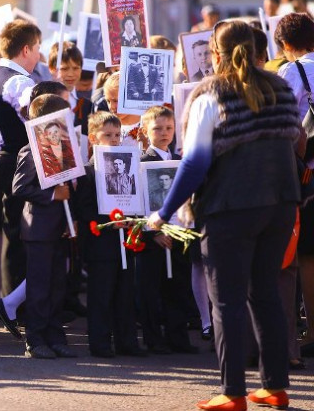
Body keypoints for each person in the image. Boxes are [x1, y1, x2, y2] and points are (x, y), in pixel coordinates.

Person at [147, 20, 301, 410]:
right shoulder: (280, 87)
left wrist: (163, 212)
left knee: (227, 302)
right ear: (254, 49)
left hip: (231, 208)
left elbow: (195, 163)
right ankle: (275, 386)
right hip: (281, 203)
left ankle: (232, 392)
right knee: (265, 293)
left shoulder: (211, 94)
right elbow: (296, 141)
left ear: (214, 55)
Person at [12, 94, 77, 359]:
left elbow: (70, 187)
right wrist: (52, 196)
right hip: (38, 230)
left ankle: (55, 335)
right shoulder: (31, 149)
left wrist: (69, 216)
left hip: (60, 227)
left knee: (57, 286)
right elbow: (19, 187)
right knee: (39, 288)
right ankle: (35, 339)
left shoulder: (65, 146)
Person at [76, 111, 145, 358]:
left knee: (125, 294)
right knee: (101, 295)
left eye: (117, 135)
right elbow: (84, 209)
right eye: (107, 135)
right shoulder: (88, 171)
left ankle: (127, 342)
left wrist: (131, 220)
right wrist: (107, 222)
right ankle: (100, 343)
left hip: (125, 242)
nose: (114, 139)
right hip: (101, 244)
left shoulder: (129, 168)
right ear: (94, 138)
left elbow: (135, 199)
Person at [0, 20, 40, 296]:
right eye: (38, 48)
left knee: (13, 231)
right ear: (26, 49)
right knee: (21, 234)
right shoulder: (18, 81)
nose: (39, 55)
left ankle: (11, 300)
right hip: (20, 160)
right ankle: (14, 302)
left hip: (6, 160)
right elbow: (36, 123)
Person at [136, 105, 197, 356]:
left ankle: (178, 336)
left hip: (178, 234)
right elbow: (139, 203)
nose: (164, 133)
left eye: (169, 128)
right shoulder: (142, 162)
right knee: (152, 288)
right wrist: (154, 233)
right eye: (157, 128)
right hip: (154, 238)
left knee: (178, 286)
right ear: (145, 131)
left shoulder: (180, 160)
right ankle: (154, 337)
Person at [274, 12, 314, 357]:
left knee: (306, 255)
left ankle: (311, 331)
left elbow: (283, 121)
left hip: (307, 173)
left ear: (286, 44)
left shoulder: (292, 71)